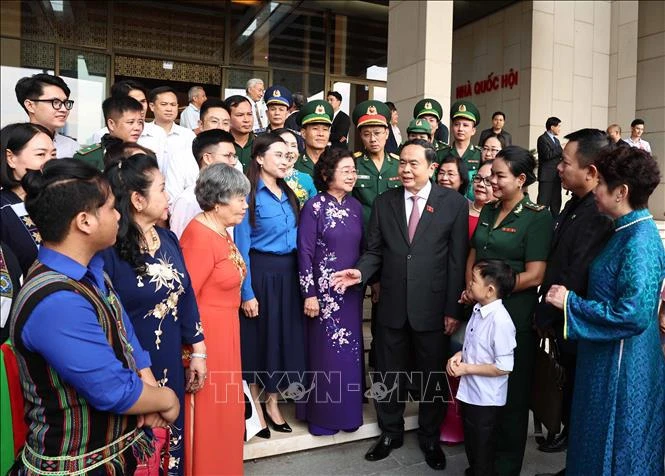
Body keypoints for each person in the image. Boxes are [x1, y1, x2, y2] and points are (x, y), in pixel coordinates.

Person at [9, 158, 179, 474]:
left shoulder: (89, 269)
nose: (119, 215)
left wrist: (146, 377)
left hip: (112, 454)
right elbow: (111, 391)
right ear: (85, 221)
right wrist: (166, 398)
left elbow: (120, 327)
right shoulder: (58, 301)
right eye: (113, 208)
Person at [332, 139, 469, 471]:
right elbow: (375, 250)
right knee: (387, 372)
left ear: (431, 167)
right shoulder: (384, 202)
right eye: (402, 163)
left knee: (431, 377)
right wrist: (360, 272)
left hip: (434, 308)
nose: (405, 169)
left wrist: (453, 309)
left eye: (413, 164)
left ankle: (429, 437)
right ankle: (389, 432)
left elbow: (456, 260)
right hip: (391, 304)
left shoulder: (453, 203)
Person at [545, 146, 664, 476]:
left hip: (623, 366)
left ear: (621, 192)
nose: (595, 188)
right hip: (607, 357)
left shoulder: (638, 240)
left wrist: (571, 302)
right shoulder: (624, 229)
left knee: (618, 445)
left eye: (602, 183)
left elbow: (634, 314)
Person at [101, 153, 206, 476]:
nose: (169, 196)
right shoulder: (108, 251)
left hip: (171, 359)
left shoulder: (168, 238)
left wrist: (199, 350)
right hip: (130, 367)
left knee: (171, 447)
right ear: (137, 199)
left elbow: (186, 297)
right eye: (162, 189)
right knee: (137, 450)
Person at [461, 145, 552, 476]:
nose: (492, 182)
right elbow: (475, 252)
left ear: (521, 179)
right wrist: (472, 286)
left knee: (511, 398)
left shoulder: (537, 216)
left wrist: (492, 291)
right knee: (481, 391)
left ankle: (505, 466)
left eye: (499, 176)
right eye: (489, 175)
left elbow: (536, 274)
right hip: (479, 312)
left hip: (512, 315)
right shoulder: (488, 210)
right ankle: (481, 462)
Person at [533, 129, 614, 465]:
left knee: (579, 395)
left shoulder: (599, 212)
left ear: (591, 171)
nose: (558, 169)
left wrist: (546, 315)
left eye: (565, 163)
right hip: (562, 318)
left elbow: (576, 271)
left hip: (575, 321)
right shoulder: (576, 203)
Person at [180, 164, 250, 475]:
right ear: (218, 200)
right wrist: (197, 349)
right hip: (208, 336)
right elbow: (187, 298)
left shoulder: (220, 230)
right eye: (240, 198)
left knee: (225, 410)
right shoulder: (198, 236)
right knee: (210, 412)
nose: (245, 205)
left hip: (227, 332)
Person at [235, 133, 306, 438]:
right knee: (258, 340)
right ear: (260, 158)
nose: (285, 159)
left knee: (282, 339)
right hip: (260, 272)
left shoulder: (290, 193)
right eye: (278, 154)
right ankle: (256, 408)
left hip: (288, 274)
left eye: (288, 155)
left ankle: (274, 402)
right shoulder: (247, 195)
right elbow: (241, 248)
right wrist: (247, 292)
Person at [296, 147, 364, 436]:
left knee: (349, 355)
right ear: (326, 174)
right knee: (325, 354)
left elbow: (363, 250)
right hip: (322, 295)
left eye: (353, 170)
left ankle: (347, 415)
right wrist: (309, 293)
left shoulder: (357, 208)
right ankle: (322, 416)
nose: (352, 175)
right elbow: (304, 252)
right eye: (345, 170)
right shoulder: (314, 206)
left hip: (350, 292)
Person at [448, 259, 516, 476]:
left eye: (474, 280)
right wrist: (459, 356)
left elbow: (504, 367)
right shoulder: (479, 309)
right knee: (473, 445)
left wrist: (466, 369)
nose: (469, 283)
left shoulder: (501, 321)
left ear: (489, 290)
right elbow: (475, 346)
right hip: (471, 392)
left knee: (483, 449)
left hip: (486, 399)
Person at [1, 123, 56, 273]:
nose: (50, 162)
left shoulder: (57, 201)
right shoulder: (4, 210)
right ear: (11, 158)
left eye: (53, 154)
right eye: (40, 154)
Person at [170, 129, 240, 239]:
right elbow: (178, 242)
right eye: (227, 155)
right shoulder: (187, 200)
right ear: (207, 158)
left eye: (234, 156)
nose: (233, 162)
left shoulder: (232, 196)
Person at [141, 86, 198, 206]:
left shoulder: (188, 136)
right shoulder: (142, 134)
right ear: (152, 106)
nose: (169, 109)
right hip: (147, 198)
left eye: (173, 105)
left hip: (179, 199)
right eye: (164, 104)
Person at [351, 100, 401, 227]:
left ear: (387, 133)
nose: (373, 139)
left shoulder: (399, 164)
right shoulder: (353, 164)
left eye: (377, 133)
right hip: (362, 231)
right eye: (366, 134)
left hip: (392, 231)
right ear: (360, 136)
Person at [14, 73, 79, 158]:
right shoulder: (11, 143)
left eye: (66, 103)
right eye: (55, 102)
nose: (64, 109)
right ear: (30, 105)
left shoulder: (72, 148)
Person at [74, 95, 145, 170]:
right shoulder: (88, 158)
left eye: (140, 122)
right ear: (111, 124)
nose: (137, 128)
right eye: (130, 122)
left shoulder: (146, 155)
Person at [439, 101, 482, 200]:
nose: (460, 129)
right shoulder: (440, 154)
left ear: (473, 130)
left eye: (465, 125)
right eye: (456, 124)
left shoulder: (480, 155)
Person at [274, 127, 317, 207]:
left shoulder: (306, 179)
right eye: (285, 144)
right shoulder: (260, 179)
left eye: (293, 146)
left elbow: (316, 211)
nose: (290, 150)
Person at [294, 100, 334, 177]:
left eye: (325, 129)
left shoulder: (337, 164)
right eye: (315, 128)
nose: (321, 134)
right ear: (303, 133)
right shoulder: (294, 164)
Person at [536, 116, 563, 218]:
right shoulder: (542, 139)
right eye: (558, 126)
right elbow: (547, 155)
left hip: (556, 177)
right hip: (546, 177)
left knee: (556, 205)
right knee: (543, 204)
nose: (560, 129)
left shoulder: (557, 141)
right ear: (552, 127)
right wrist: (561, 149)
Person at [226, 95, 255, 172]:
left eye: (249, 114)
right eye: (240, 115)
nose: (246, 120)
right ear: (227, 118)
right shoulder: (220, 145)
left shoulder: (261, 144)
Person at [468, 161, 495, 239]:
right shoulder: (460, 207)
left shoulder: (502, 215)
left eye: (488, 180)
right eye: (477, 178)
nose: (480, 184)